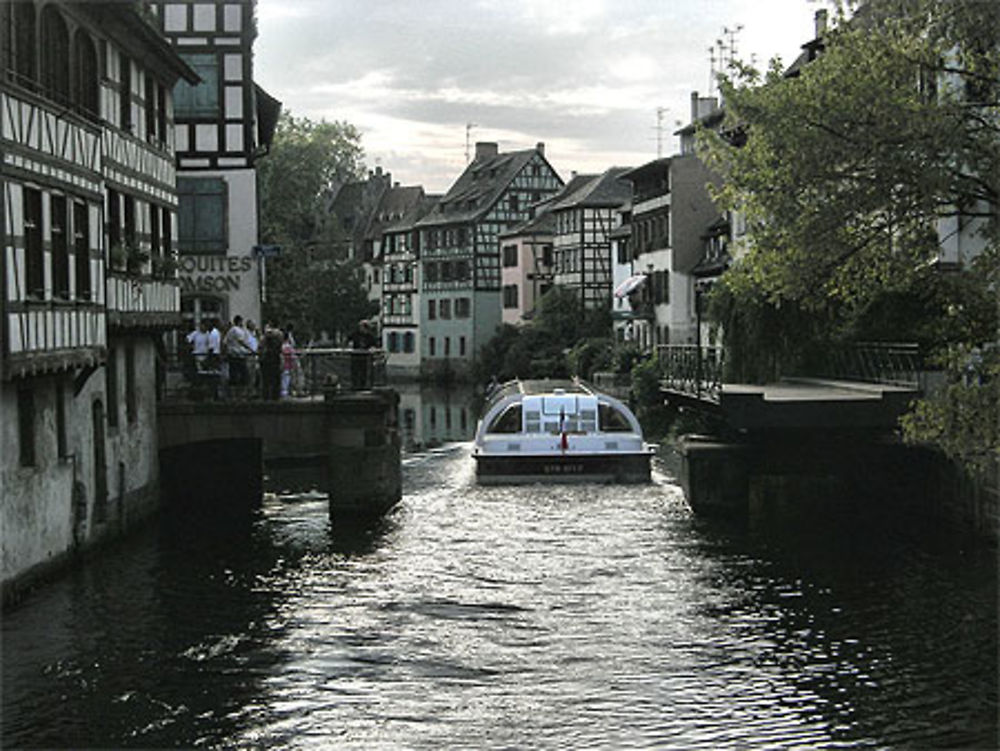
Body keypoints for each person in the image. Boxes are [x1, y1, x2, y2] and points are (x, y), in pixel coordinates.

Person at [224, 315, 252, 394]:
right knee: (243, 374)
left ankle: (233, 393)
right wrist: (250, 349)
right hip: (238, 355)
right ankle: (240, 393)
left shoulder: (230, 331)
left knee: (233, 374)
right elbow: (241, 342)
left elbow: (225, 342)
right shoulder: (237, 330)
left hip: (232, 354)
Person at [260, 321, 283, 400]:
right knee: (274, 378)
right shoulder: (279, 334)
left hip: (268, 358)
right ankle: (274, 396)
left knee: (267, 379)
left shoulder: (266, 336)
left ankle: (267, 396)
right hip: (274, 358)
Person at [280, 331, 297, 398]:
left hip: (284, 366)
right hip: (287, 366)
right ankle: (285, 393)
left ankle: (285, 392)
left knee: (285, 379)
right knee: (286, 379)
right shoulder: (287, 347)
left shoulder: (281, 346)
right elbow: (293, 357)